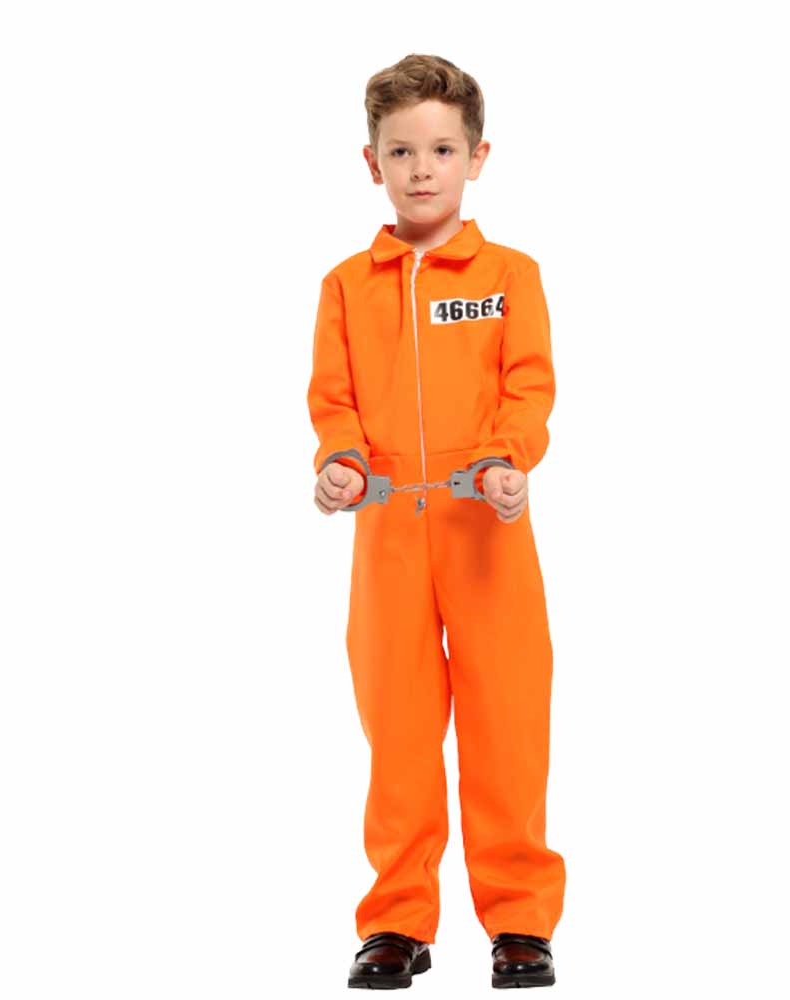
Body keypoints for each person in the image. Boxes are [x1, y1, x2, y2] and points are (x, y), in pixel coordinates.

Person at [306, 53, 565, 990]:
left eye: (443, 150)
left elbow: (528, 387)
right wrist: (339, 464)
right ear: (372, 162)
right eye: (403, 151)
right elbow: (333, 399)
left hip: (487, 532)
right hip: (387, 540)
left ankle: (520, 919)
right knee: (401, 735)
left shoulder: (510, 276)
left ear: (477, 157)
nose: (423, 169)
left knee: (507, 725)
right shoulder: (347, 285)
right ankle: (396, 921)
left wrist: (507, 459)